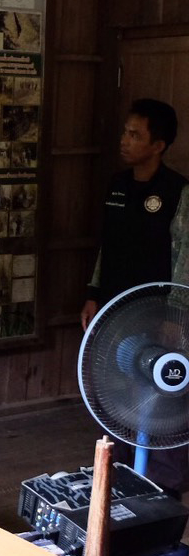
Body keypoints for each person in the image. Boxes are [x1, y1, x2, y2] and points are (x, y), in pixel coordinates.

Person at [80, 98, 189, 497]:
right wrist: (93, 294)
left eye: (135, 134)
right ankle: (119, 476)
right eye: (125, 132)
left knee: (161, 399)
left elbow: (185, 257)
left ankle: (163, 487)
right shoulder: (117, 185)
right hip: (114, 311)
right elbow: (106, 247)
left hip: (157, 314)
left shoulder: (179, 192)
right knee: (117, 396)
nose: (124, 141)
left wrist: (176, 316)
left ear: (158, 145)